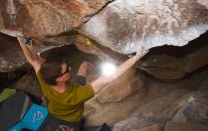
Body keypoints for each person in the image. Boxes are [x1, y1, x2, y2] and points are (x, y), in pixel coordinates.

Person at [17, 36, 148, 130]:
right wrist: (136, 57)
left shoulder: (45, 80)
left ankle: (95, 69)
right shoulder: (78, 94)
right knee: (85, 67)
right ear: (59, 79)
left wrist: (21, 40)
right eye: (66, 70)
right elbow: (109, 78)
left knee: (84, 65)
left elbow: (33, 60)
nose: (70, 68)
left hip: (54, 107)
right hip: (71, 120)